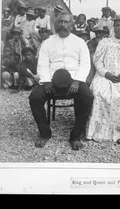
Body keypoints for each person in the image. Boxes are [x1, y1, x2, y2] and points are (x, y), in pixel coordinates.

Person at [28, 12, 93, 150]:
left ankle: (75, 135)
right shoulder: (48, 42)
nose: (63, 25)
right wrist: (46, 81)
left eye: (66, 22)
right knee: (35, 97)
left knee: (87, 97)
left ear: (72, 25)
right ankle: (45, 133)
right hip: (51, 82)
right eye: (60, 22)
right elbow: (43, 64)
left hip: (74, 82)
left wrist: (77, 81)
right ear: (56, 24)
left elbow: (85, 64)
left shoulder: (79, 42)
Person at [86, 15, 120, 144]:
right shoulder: (105, 42)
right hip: (106, 76)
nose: (119, 28)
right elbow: (97, 61)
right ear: (113, 27)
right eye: (117, 25)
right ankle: (99, 131)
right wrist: (106, 74)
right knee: (99, 92)